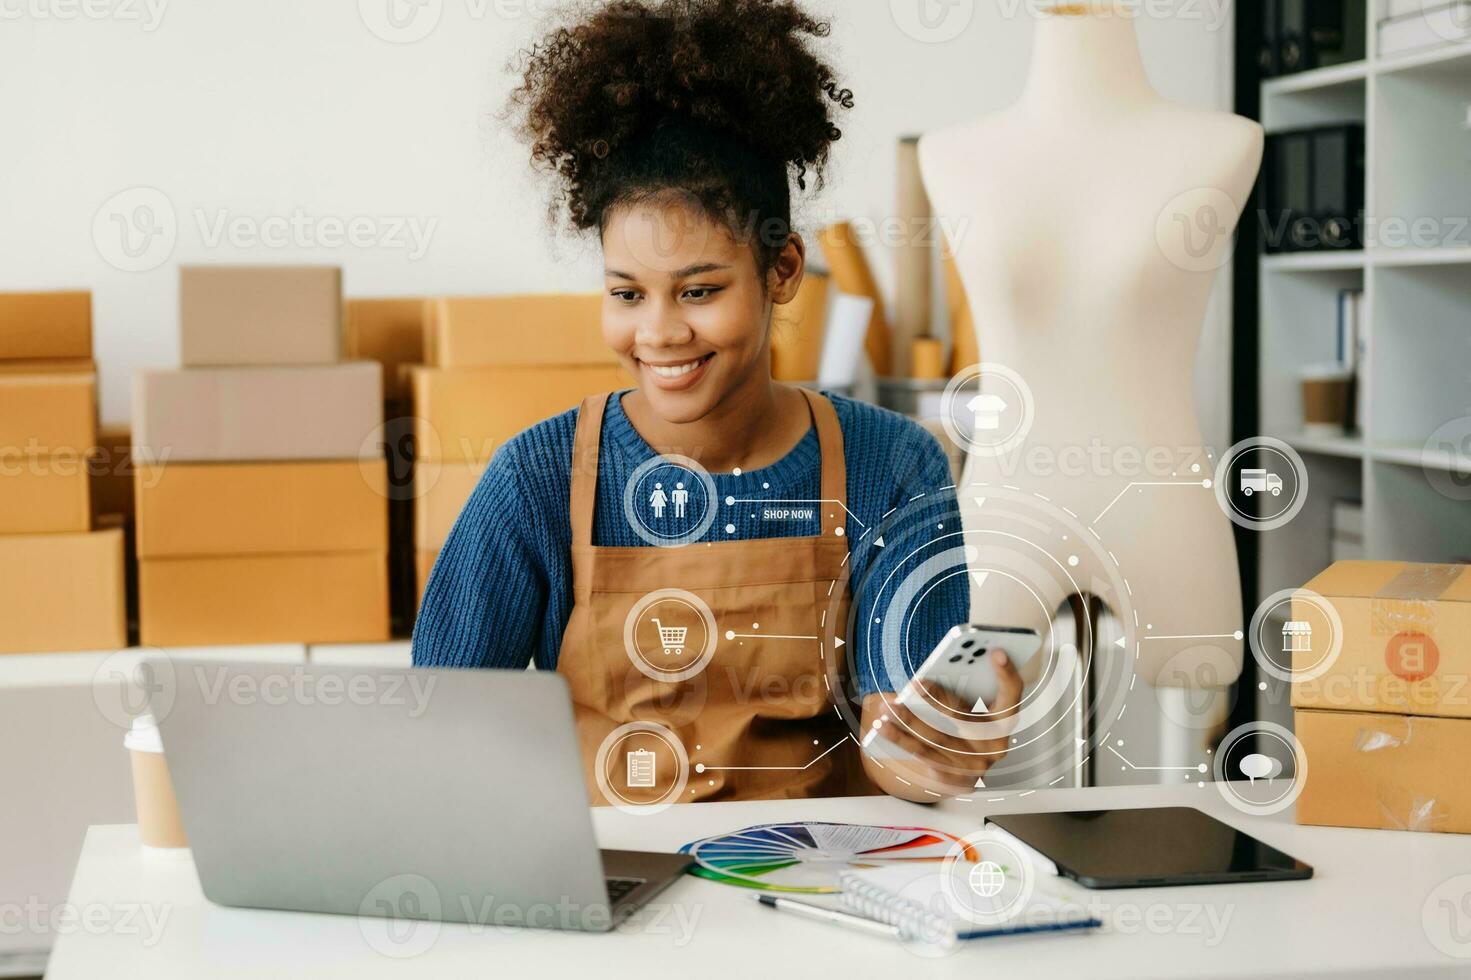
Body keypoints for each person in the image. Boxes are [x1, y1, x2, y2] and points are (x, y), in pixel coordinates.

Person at [413, 0, 1022, 804]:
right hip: (611, 891)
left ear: (780, 270)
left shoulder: (891, 466)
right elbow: (437, 738)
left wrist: (940, 746)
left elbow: (897, 754)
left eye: (699, 290)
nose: (659, 332)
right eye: (626, 293)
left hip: (816, 894)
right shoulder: (539, 475)